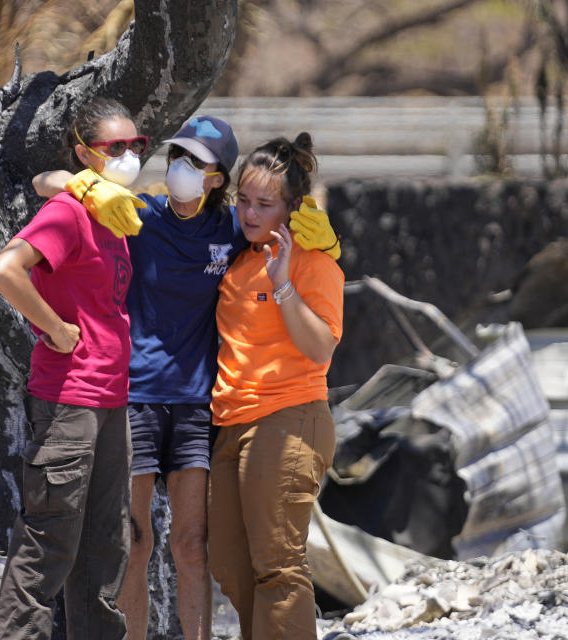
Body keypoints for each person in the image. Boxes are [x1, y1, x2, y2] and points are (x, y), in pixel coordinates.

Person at [33, 116, 339, 640]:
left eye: (197, 162)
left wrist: (322, 239)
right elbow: (44, 183)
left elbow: (286, 234)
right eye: (177, 156)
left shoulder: (235, 230)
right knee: (135, 541)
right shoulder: (137, 215)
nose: (181, 168)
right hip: (138, 398)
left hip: (202, 406)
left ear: (217, 177)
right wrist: (82, 183)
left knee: (196, 546)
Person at [0, 97, 146, 640]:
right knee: (50, 544)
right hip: (69, 400)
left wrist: (54, 179)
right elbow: (5, 270)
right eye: (116, 147)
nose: (130, 156)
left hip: (110, 400)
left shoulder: (113, 213)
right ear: (85, 154)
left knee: (105, 546)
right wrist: (53, 329)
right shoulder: (70, 212)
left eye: (137, 145)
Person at [208, 133, 344, 640]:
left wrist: (284, 281)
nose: (249, 212)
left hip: (289, 418)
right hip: (231, 422)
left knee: (278, 565)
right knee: (229, 563)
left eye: (265, 203)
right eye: (243, 200)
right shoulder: (239, 261)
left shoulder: (315, 261)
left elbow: (321, 350)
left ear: (292, 207)